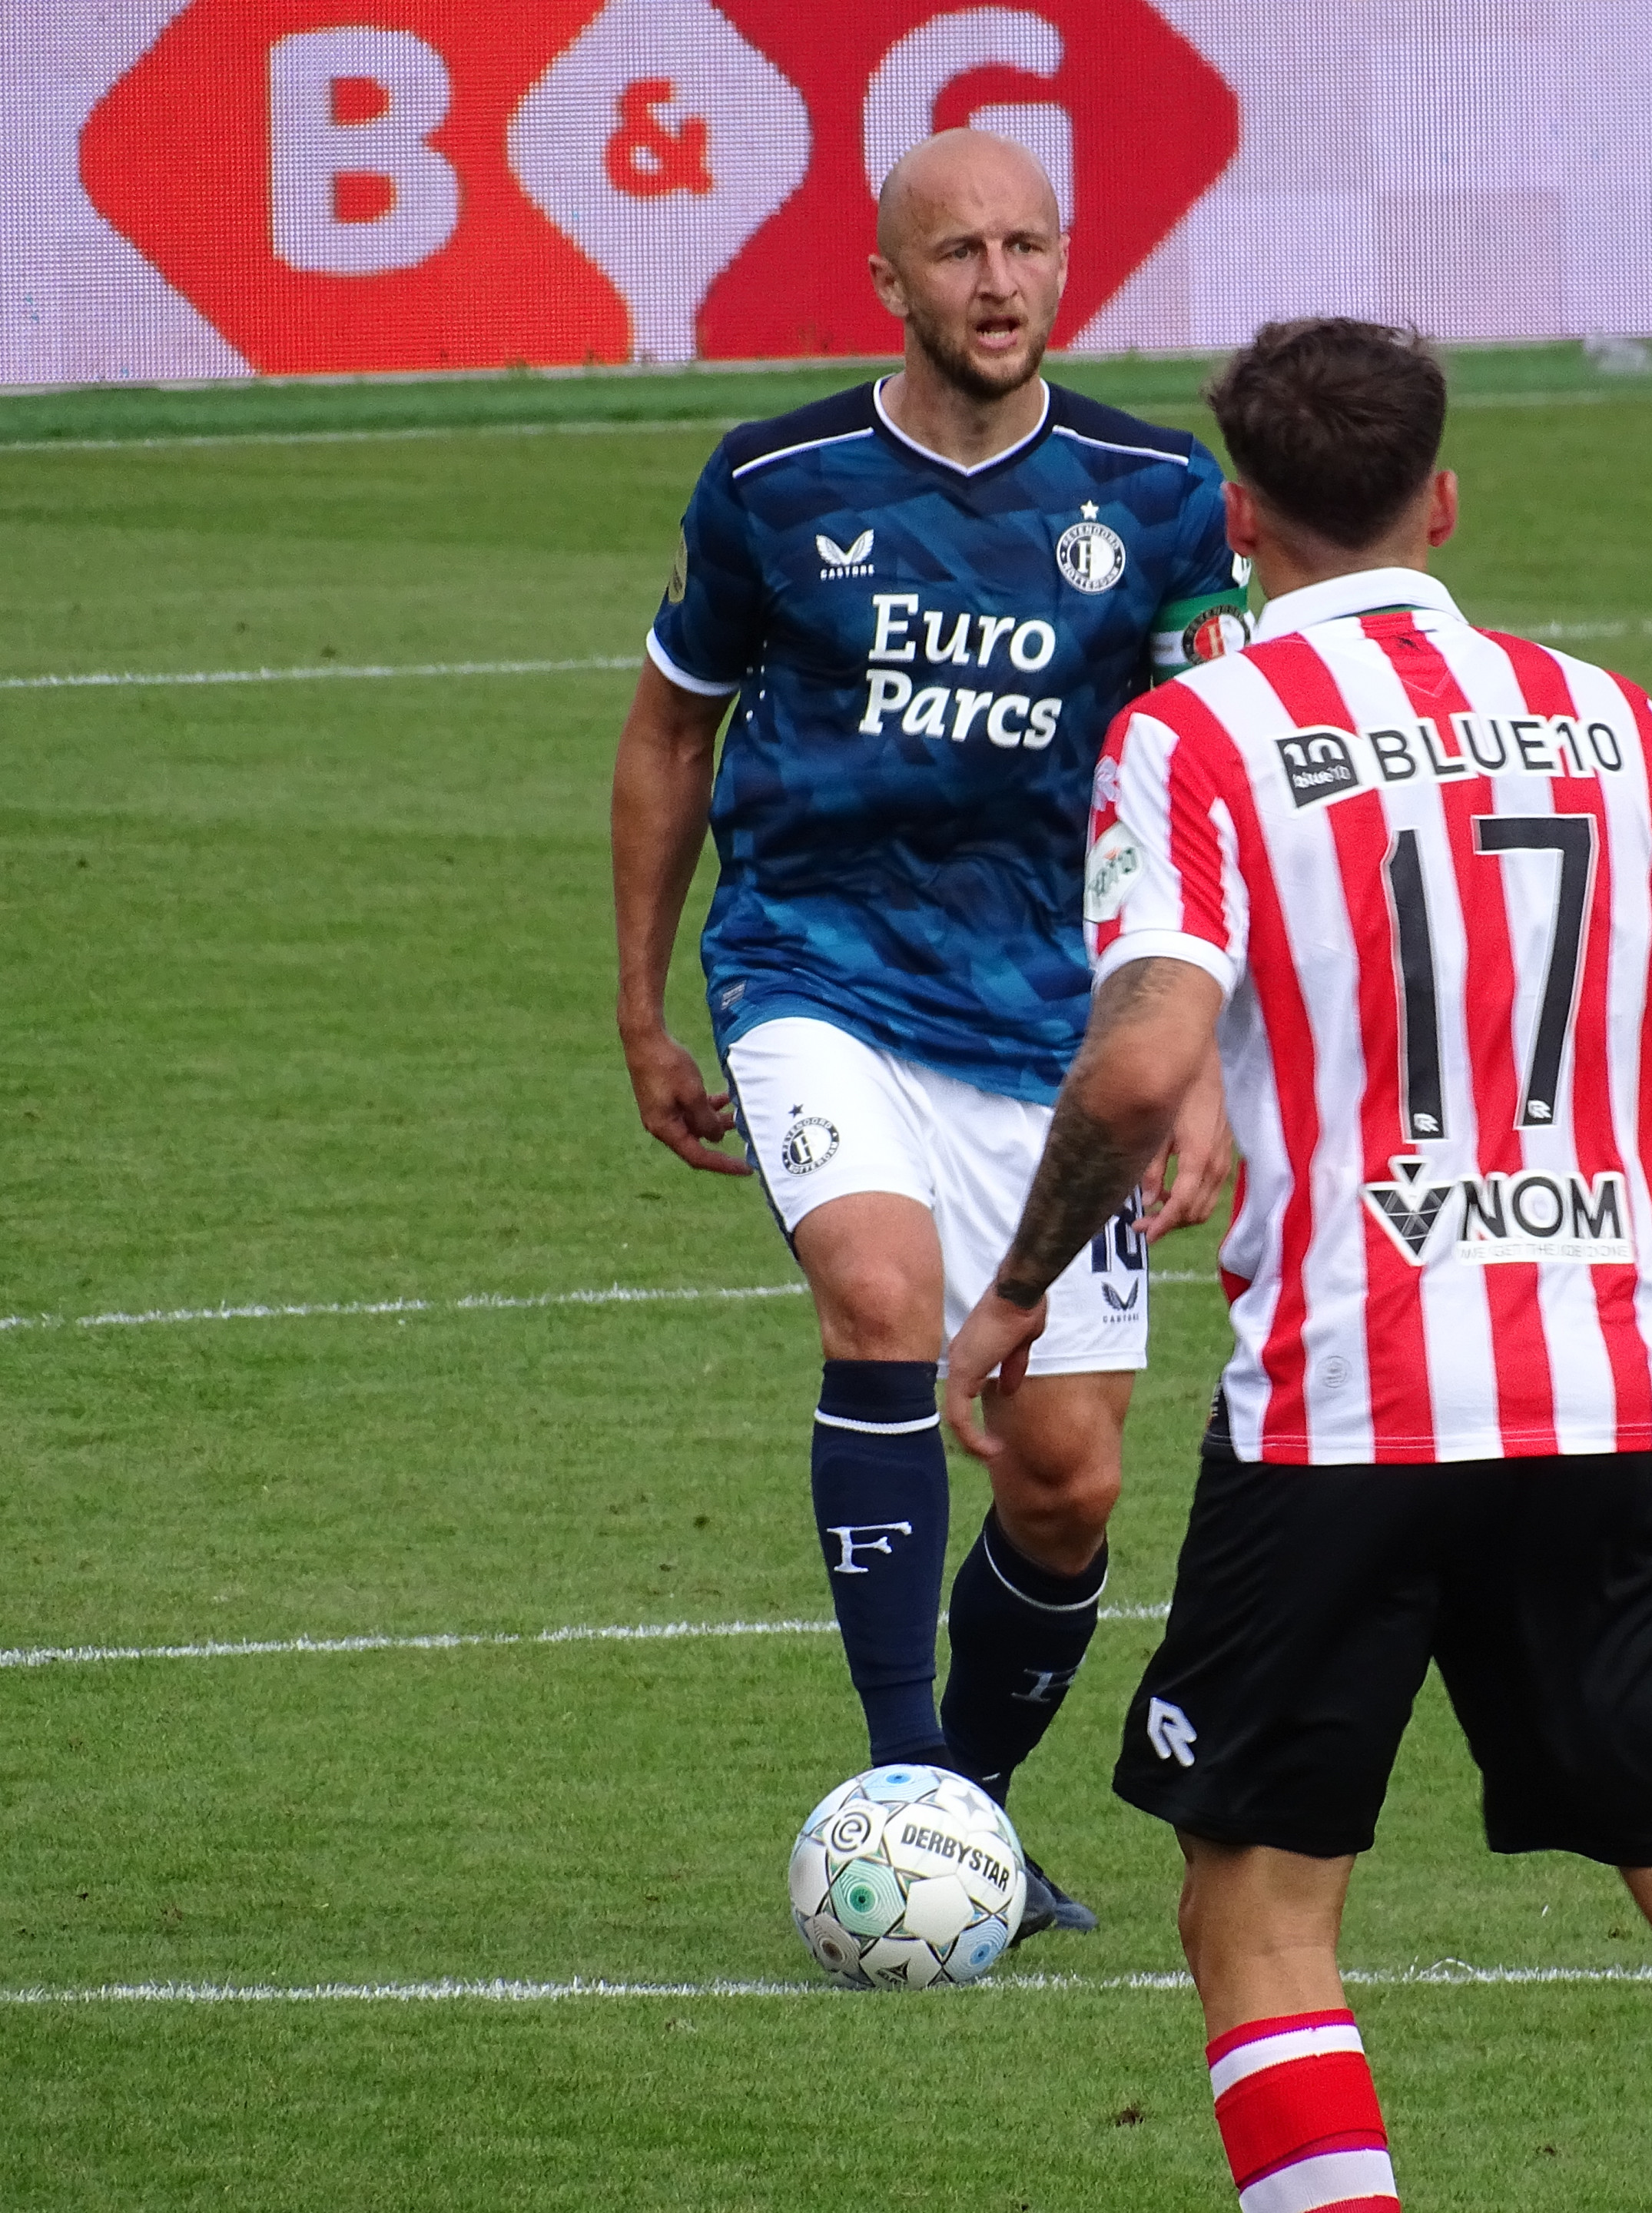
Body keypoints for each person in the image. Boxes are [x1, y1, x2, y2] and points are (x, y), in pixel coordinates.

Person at [944, 319, 1652, 2211]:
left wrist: (1022, 1284)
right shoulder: (1611, 717)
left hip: (1343, 1415)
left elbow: (1144, 1062)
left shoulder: (1195, 734)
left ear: (1240, 518)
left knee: (1260, 1921)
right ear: (1442, 501)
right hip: (1604, 1397)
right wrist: (1575, 1209)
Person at [609, 129, 1245, 1940]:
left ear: (1066, 262)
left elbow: (1221, 781)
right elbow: (670, 732)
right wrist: (643, 1006)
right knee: (882, 1300)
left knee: (1068, 1480)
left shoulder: (1159, 495)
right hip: (816, 974)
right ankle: (907, 1784)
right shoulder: (773, 483)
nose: (998, 282)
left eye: (1027, 246)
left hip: (1057, 1023)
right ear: (888, 280)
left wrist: (1202, 1058)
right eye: (959, 252)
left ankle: (966, 1824)